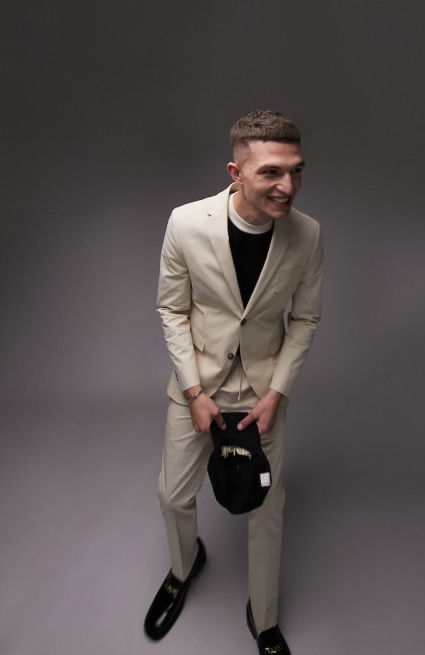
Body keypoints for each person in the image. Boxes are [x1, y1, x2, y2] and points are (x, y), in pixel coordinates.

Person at [144, 110, 323, 654]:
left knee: (268, 510)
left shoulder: (308, 234)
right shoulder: (185, 223)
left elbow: (305, 319)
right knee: (173, 496)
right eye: (271, 172)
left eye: (296, 170)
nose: (287, 185)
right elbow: (171, 309)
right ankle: (184, 567)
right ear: (235, 172)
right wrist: (194, 393)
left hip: (265, 394)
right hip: (197, 385)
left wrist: (277, 394)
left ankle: (263, 618)